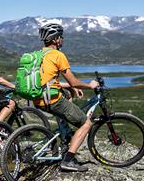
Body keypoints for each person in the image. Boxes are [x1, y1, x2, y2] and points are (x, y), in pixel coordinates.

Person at [35, 23, 99, 172]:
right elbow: (73, 81)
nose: (62, 40)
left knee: (68, 97)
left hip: (38, 99)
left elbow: (47, 81)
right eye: (61, 37)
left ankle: (65, 140)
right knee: (86, 123)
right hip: (52, 100)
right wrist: (90, 85)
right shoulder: (58, 55)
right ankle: (68, 160)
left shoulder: (39, 55)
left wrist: (71, 88)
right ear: (56, 39)